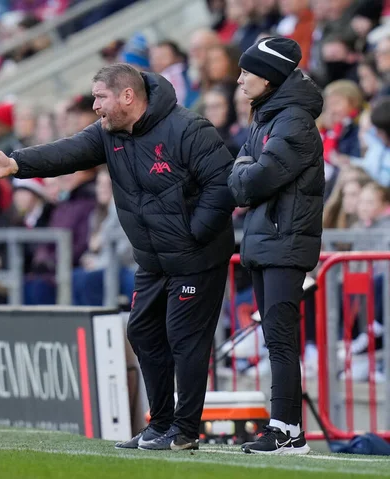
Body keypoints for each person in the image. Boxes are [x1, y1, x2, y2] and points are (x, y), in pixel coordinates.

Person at [0, 63, 236, 451]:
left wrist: (194, 233)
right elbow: (69, 151)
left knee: (185, 339)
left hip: (197, 256)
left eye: (100, 97)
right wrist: (16, 164)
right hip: (153, 260)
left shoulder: (188, 128)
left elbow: (222, 185)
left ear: (127, 96)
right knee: (142, 331)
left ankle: (185, 431)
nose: (95, 106)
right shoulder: (110, 133)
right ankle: (160, 425)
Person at [228, 37, 324, 455]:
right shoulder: (270, 118)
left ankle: (287, 430)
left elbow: (251, 181)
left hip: (284, 242)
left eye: (246, 72)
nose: (239, 79)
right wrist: (245, 169)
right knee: (276, 340)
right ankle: (285, 428)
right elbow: (241, 173)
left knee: (282, 341)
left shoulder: (293, 122)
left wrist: (245, 170)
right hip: (270, 242)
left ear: (268, 77)